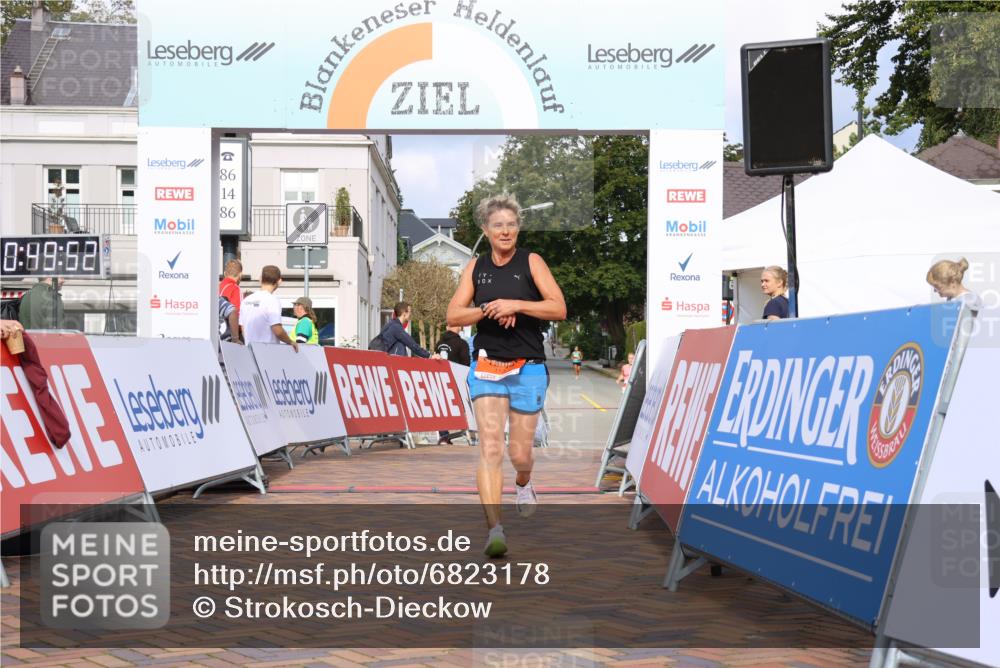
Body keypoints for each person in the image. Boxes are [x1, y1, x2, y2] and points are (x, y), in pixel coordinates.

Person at [446, 193, 567, 558]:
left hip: (527, 367)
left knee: (519, 454)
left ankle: (524, 481)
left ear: (518, 228)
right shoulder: (476, 267)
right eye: (498, 225)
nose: (505, 231)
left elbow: (558, 307)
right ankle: (494, 530)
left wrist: (517, 304)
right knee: (491, 446)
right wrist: (487, 309)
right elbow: (453, 316)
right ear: (486, 229)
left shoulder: (532, 261)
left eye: (511, 225)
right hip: (487, 366)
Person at [238, 265, 298, 351]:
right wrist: (290, 342)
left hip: (250, 350)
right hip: (268, 352)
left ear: (260, 279)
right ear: (279, 281)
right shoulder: (272, 300)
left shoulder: (246, 300)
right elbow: (277, 330)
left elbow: (243, 327)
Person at [434, 324, 471, 445]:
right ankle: (466, 432)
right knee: (461, 407)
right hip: (456, 380)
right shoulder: (462, 344)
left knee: (442, 409)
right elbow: (466, 364)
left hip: (440, 379)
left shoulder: (439, 343)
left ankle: (444, 436)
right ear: (459, 327)